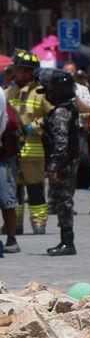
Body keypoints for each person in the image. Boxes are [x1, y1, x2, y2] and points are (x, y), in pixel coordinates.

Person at [5, 50, 50, 235]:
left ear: (29, 72)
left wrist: (34, 126)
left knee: (35, 189)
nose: (16, 73)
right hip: (14, 149)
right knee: (14, 190)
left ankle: (38, 223)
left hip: (34, 150)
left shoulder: (41, 93)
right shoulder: (9, 91)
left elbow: (50, 117)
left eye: (20, 70)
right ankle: (15, 225)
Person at [37, 69, 79, 256]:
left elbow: (61, 143)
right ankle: (66, 240)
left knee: (64, 204)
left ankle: (67, 242)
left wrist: (53, 166)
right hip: (67, 163)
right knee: (63, 202)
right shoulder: (67, 109)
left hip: (63, 165)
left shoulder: (61, 112)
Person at [0, 86, 16, 253]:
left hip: (3, 157)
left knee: (7, 201)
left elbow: (8, 124)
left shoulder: (1, 95)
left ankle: (12, 238)